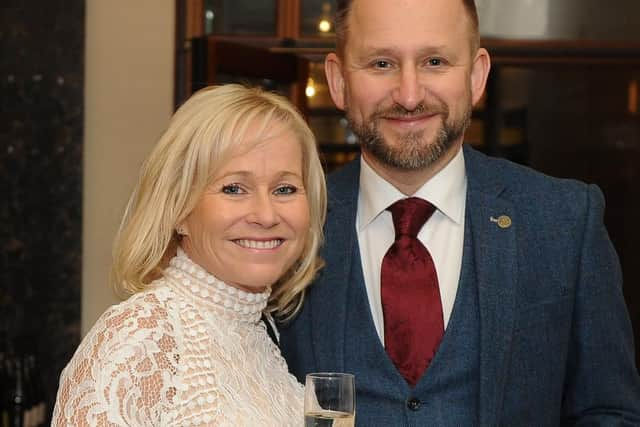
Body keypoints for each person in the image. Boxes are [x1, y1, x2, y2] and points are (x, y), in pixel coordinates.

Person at [279, 0, 640, 425]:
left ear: (476, 75)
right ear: (338, 81)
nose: (409, 96)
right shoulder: (288, 225)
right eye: (381, 63)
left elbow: (608, 412)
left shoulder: (565, 221)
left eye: (435, 61)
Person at [52, 84, 327, 426]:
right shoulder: (142, 336)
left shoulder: (258, 337)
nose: (267, 215)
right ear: (179, 209)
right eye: (234, 188)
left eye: (284, 189)